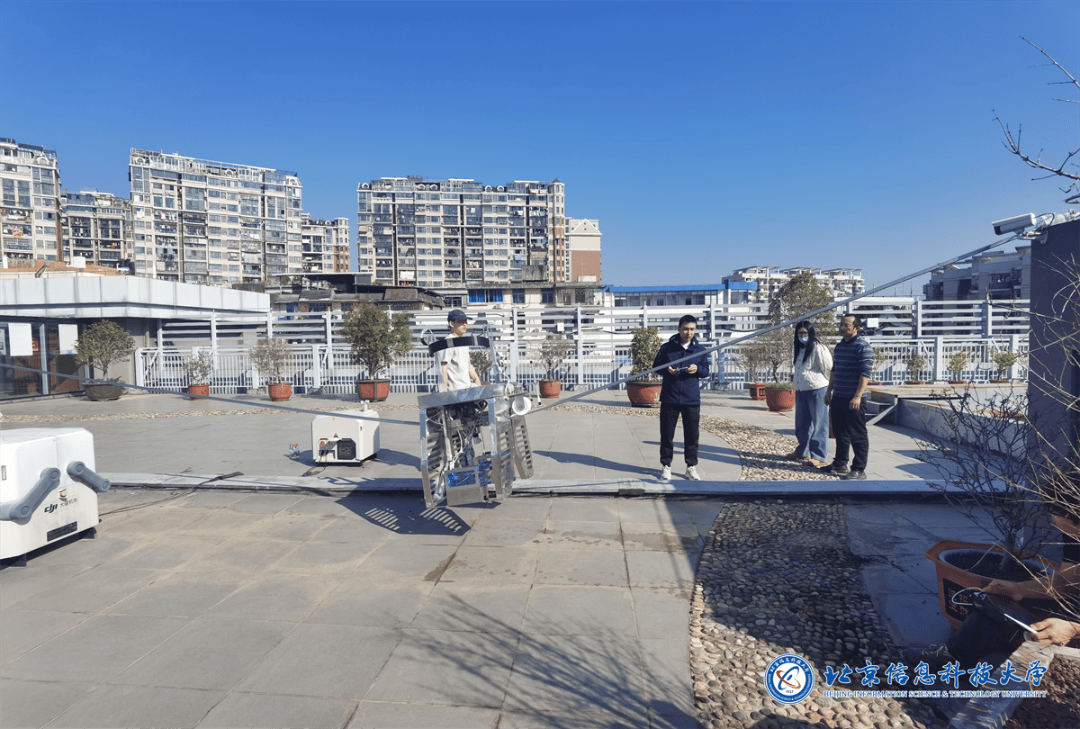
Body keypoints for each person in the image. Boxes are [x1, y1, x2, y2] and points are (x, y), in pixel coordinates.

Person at [904, 506, 1080, 670]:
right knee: (1001, 600)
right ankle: (955, 655)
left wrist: (1073, 630)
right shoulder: (1072, 528)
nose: (1071, 535)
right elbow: (1067, 582)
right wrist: (1018, 589)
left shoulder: (1073, 522)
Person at [653, 315, 710, 481]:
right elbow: (656, 367)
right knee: (667, 434)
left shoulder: (700, 350)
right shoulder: (667, 348)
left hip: (691, 398)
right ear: (679, 329)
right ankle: (666, 466)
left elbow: (706, 371)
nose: (688, 332)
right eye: (685, 329)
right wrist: (667, 370)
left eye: (692, 329)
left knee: (692, 435)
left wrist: (697, 369)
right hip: (670, 397)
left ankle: (690, 467)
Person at [821, 313, 874, 480]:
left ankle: (859, 469)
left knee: (858, 434)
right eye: (841, 324)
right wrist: (829, 391)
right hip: (838, 396)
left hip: (854, 399)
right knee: (840, 432)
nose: (842, 328)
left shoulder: (863, 347)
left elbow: (865, 374)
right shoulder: (840, 346)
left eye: (846, 325)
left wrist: (857, 396)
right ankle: (839, 463)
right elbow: (834, 370)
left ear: (856, 328)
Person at [788, 320, 833, 468]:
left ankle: (819, 456)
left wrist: (829, 389)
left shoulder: (819, 348)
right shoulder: (799, 349)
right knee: (802, 424)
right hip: (802, 391)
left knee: (819, 424)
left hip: (817, 390)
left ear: (811, 333)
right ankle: (803, 451)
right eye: (800, 333)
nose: (802, 335)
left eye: (805, 333)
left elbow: (828, 368)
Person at [437, 309, 482, 391]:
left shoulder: (463, 342)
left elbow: (468, 364)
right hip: (456, 390)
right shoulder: (449, 343)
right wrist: (444, 392)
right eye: (461, 321)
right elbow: (444, 369)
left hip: (467, 387)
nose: (464, 324)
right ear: (451, 324)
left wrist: (477, 380)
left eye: (465, 321)